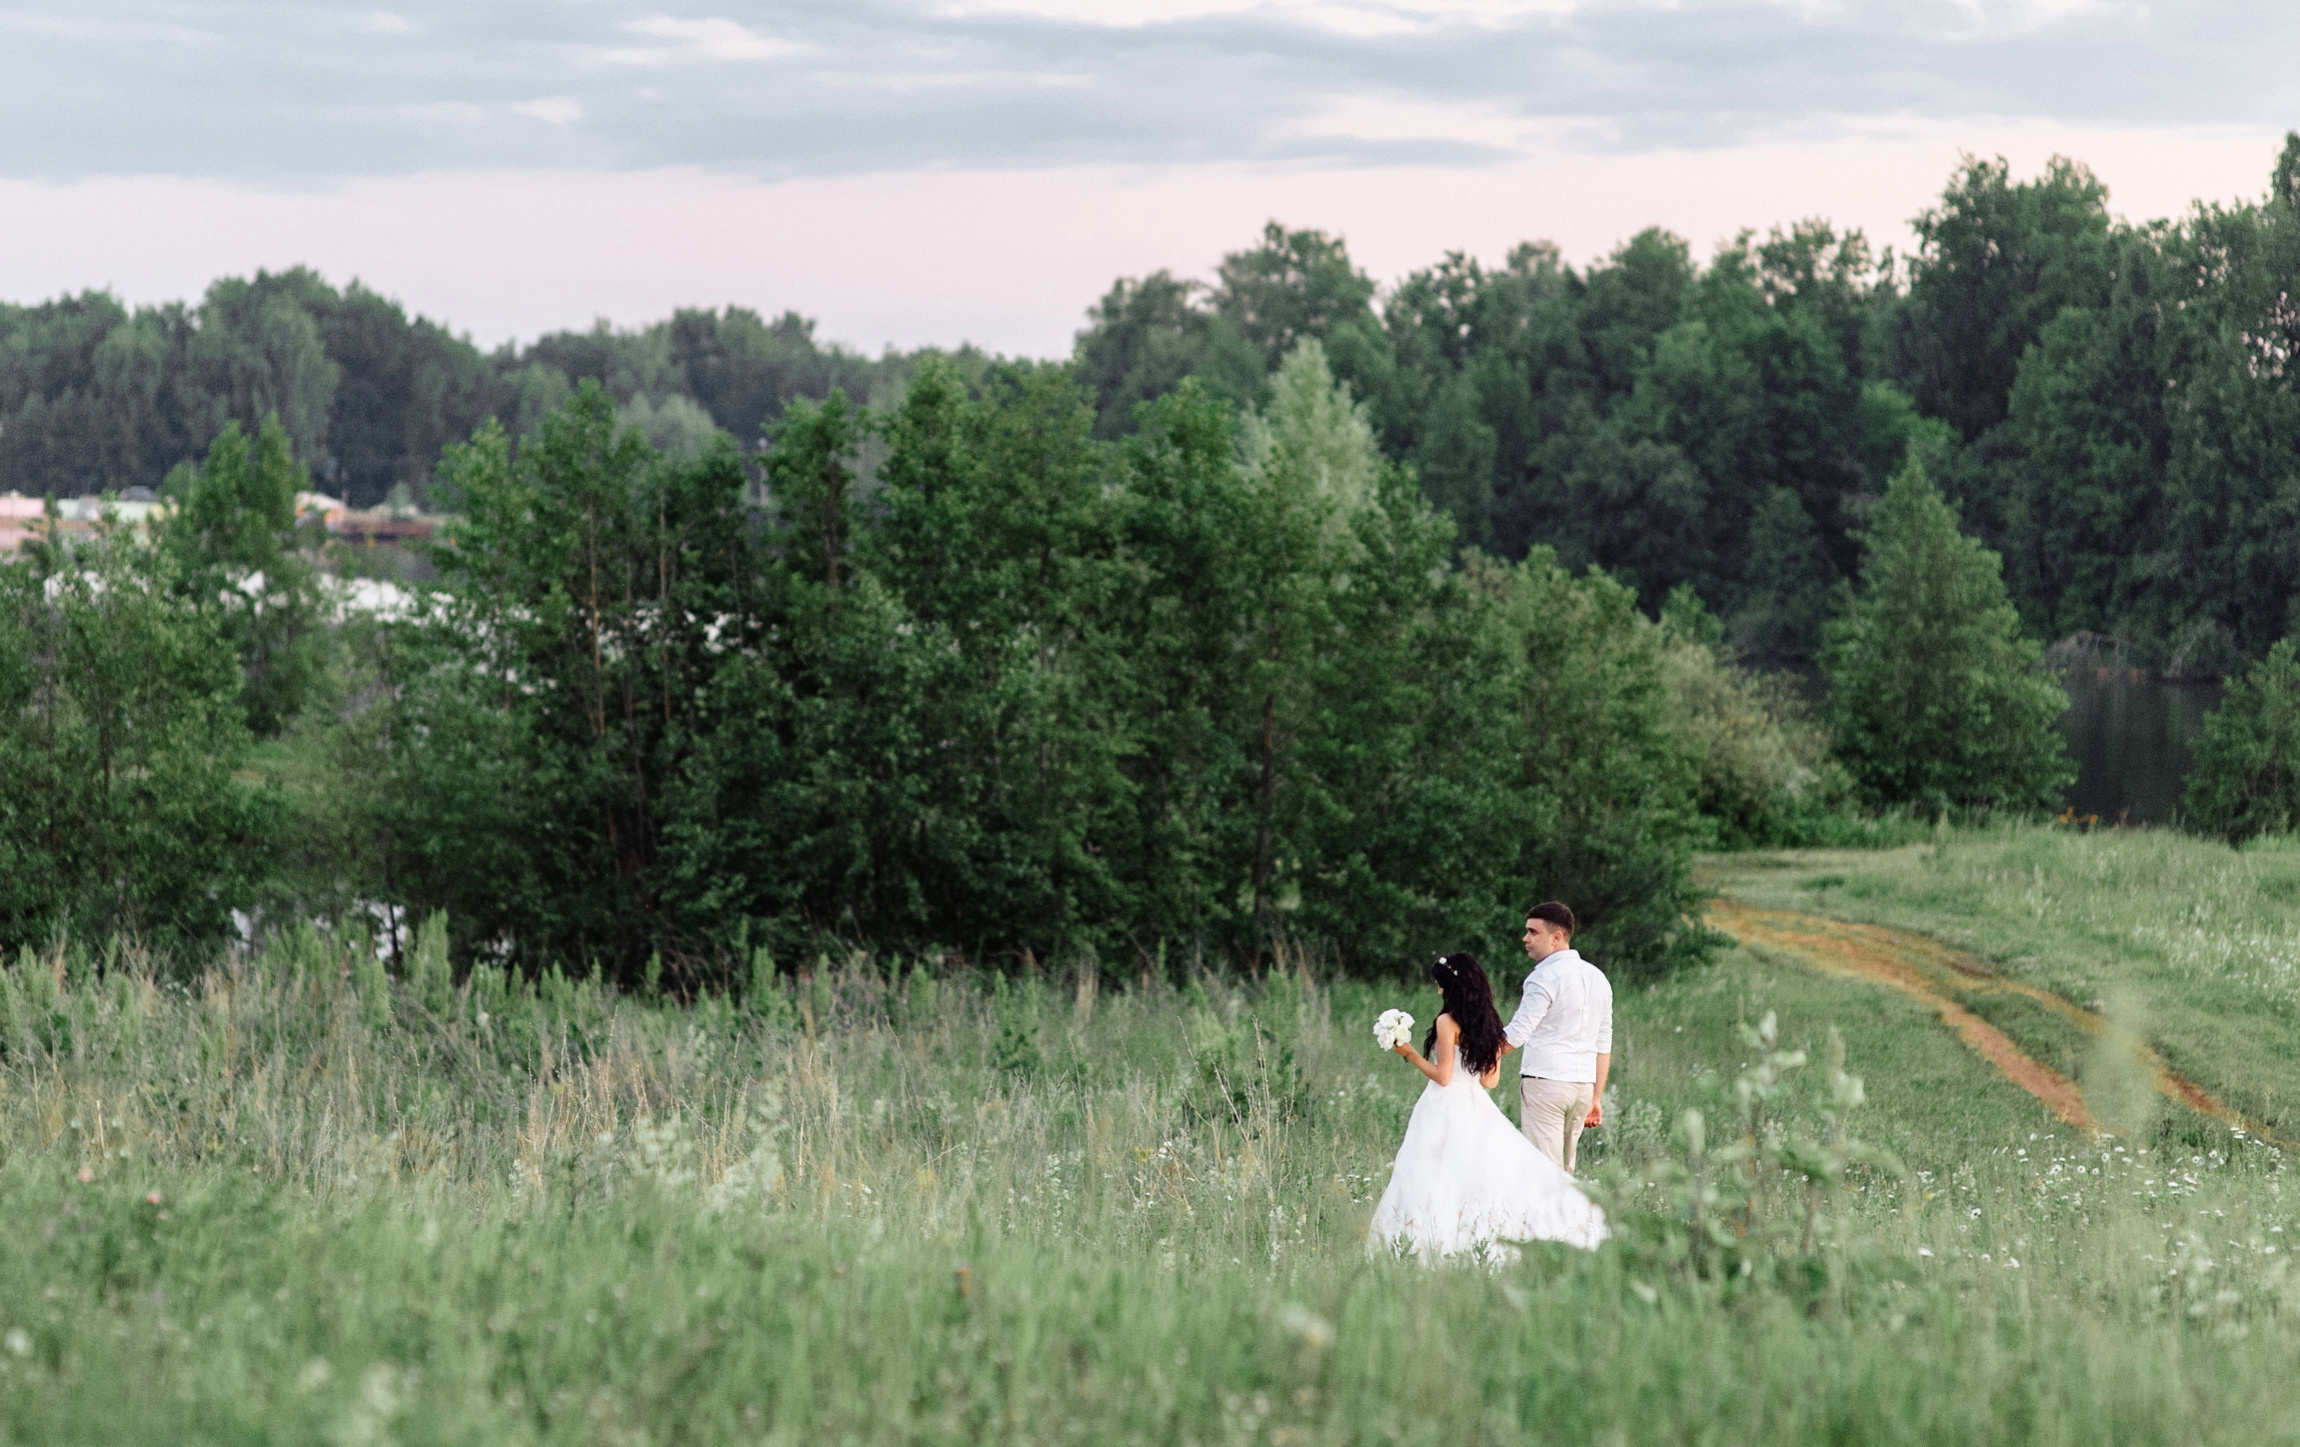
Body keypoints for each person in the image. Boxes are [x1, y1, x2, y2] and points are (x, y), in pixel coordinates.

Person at [1367, 953, 1607, 1260]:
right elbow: (1489, 1081)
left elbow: (1442, 1077)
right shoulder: (1488, 1022)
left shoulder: (1446, 1022)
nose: (1439, 991)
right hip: (1476, 1105)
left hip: (1442, 1105)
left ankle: (1427, 1239)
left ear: (1452, 986)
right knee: (1478, 1173)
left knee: (1432, 1172)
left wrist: (1409, 1053)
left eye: (1440, 985)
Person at [1499, 901, 1612, 1174]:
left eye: (1533, 932)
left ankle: (1550, 1218)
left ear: (1557, 937)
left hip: (1546, 1083)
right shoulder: (1598, 977)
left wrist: (1476, 1056)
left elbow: (1516, 1033)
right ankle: (1571, 1217)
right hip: (1582, 1087)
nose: (1525, 939)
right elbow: (1603, 1043)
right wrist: (1596, 1097)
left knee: (1543, 1170)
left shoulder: (1544, 977)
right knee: (1566, 1170)